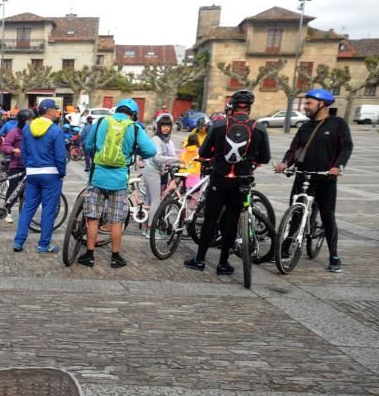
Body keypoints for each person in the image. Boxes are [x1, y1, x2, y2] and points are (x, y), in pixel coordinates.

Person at [184, 89, 270, 274]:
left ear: (232, 106)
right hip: (241, 181)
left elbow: (204, 153)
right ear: (249, 107)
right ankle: (223, 264)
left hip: (219, 179)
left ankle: (199, 260)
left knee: (210, 220)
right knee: (231, 220)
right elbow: (266, 157)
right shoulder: (259, 128)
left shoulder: (219, 124)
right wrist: (250, 162)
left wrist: (217, 157)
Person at [273, 88, 353, 273]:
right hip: (303, 175)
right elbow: (294, 149)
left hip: (326, 177)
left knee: (327, 216)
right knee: (296, 213)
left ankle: (334, 255)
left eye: (309, 103)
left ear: (322, 104)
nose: (305, 107)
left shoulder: (337, 124)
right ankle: (284, 249)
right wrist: (285, 163)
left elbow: (346, 147)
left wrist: (338, 166)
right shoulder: (305, 126)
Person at [79, 98, 157, 268]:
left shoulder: (102, 122)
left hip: (97, 176)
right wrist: (135, 149)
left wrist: (95, 155)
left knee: (92, 217)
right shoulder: (134, 127)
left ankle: (89, 255)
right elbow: (151, 151)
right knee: (116, 220)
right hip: (120, 180)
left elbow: (88, 145)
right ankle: (115, 258)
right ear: (133, 114)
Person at [12, 99, 67, 254]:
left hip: (32, 173)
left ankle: (18, 241)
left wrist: (29, 167)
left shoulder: (28, 129)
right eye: (55, 110)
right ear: (49, 111)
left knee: (28, 208)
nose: (57, 112)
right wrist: (61, 173)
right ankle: (44, 245)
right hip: (51, 174)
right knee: (48, 210)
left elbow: (23, 152)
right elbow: (60, 156)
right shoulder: (56, 130)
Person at [142, 113, 181, 238]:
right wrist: (177, 159)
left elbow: (170, 154)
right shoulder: (156, 140)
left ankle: (145, 228)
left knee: (149, 200)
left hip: (156, 172)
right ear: (159, 126)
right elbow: (158, 158)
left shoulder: (166, 140)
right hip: (152, 172)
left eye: (168, 126)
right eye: (163, 126)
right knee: (156, 201)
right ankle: (150, 230)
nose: (166, 128)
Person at [0, 108, 32, 222]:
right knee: (13, 189)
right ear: (23, 120)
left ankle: (23, 213)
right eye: (29, 120)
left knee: (26, 192)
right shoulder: (15, 132)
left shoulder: (32, 132)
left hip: (29, 166)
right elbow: (5, 146)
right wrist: (13, 150)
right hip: (16, 166)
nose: (31, 122)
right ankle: (7, 210)